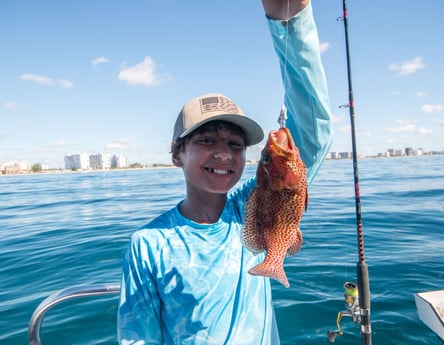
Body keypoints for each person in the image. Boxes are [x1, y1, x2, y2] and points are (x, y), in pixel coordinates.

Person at [117, 0, 332, 344]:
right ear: (177, 154)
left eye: (235, 144)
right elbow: (138, 336)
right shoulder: (149, 244)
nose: (223, 153)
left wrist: (289, 22)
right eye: (206, 140)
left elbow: (311, 132)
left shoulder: (252, 205)